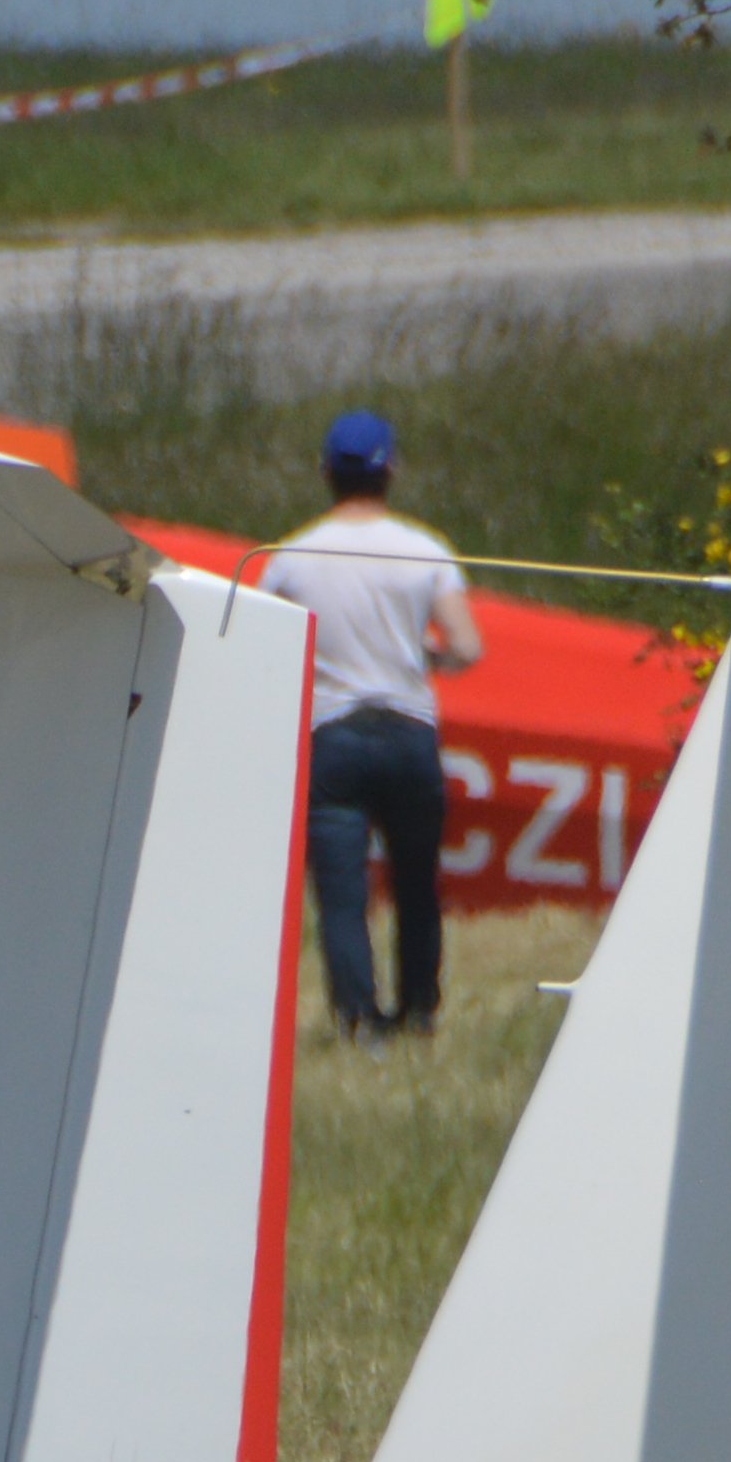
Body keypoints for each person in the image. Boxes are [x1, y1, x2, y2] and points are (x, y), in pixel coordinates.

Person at [258, 403, 481, 1037]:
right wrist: (422, 656)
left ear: (325, 471)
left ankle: (359, 1020)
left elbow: (260, 637)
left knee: (341, 892)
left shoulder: (291, 556)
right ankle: (418, 1011)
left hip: (335, 733)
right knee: (416, 883)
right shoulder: (425, 548)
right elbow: (466, 646)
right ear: (392, 472)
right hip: (408, 729)